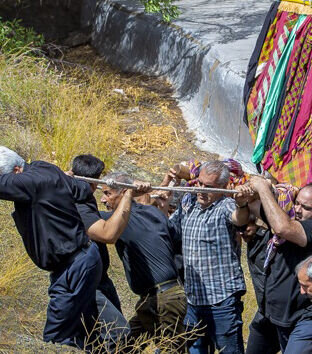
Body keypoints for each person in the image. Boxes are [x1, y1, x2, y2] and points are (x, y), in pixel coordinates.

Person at [0, 147, 102, 349]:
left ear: (18, 171)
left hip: (74, 267)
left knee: (56, 339)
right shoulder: (45, 168)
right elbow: (82, 190)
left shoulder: (31, 181)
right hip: (80, 261)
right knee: (87, 333)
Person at [247, 176, 312, 354]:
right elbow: (254, 207)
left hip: (303, 318)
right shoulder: (287, 219)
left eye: (306, 208)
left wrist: (263, 188)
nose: (298, 210)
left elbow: (283, 228)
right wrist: (245, 197)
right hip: (270, 314)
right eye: (296, 204)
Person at [168, 160, 253, 354]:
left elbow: (239, 218)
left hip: (221, 300)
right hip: (193, 299)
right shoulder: (188, 203)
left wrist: (242, 204)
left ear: (223, 188)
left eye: (208, 187)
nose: (201, 190)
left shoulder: (225, 206)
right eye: (199, 183)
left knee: (229, 351)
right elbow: (169, 229)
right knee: (195, 350)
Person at [100, 172, 187, 346]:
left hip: (164, 299)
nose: (103, 199)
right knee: (125, 346)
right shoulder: (153, 213)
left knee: (170, 349)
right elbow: (174, 240)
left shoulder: (114, 221)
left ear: (124, 193)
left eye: (107, 193)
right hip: (157, 297)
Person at [70, 154, 138, 351]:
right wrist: (127, 194)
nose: (99, 192)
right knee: (118, 334)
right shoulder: (78, 206)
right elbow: (109, 234)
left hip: (100, 280)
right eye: (97, 182)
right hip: (86, 284)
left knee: (100, 340)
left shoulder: (84, 201)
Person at [241, 212, 281, 354]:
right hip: (264, 312)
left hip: (283, 313)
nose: (242, 233)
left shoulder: (269, 239)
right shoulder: (250, 241)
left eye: (246, 228)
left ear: (255, 223)